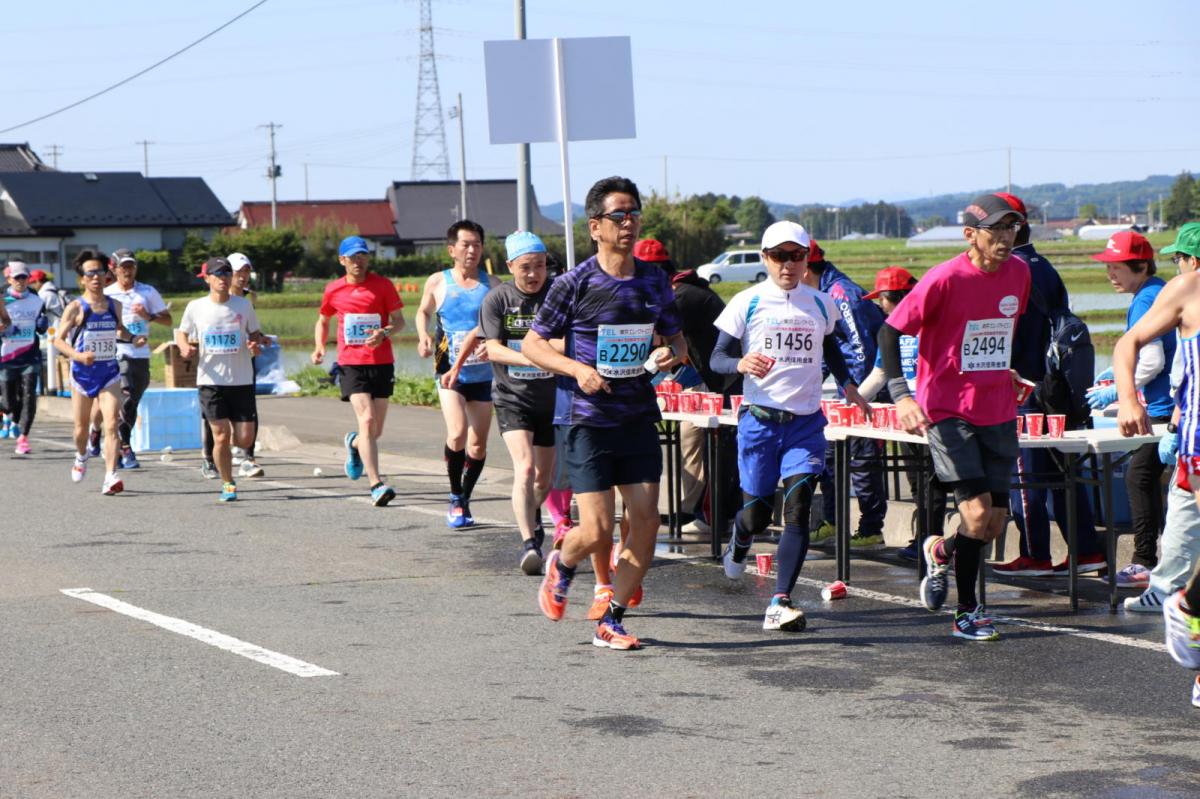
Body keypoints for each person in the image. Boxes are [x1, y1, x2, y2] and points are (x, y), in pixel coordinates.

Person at [525, 175, 686, 651]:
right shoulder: (573, 284)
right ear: (595, 226)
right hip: (587, 419)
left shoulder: (654, 280)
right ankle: (562, 563)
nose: (629, 222)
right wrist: (578, 370)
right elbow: (533, 344)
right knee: (596, 531)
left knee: (647, 521)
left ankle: (611, 618)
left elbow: (677, 340)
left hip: (636, 415)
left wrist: (670, 354)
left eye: (634, 213)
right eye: (619, 215)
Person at [879, 194, 1032, 641]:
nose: (1006, 237)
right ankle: (967, 612)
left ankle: (941, 551)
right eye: (996, 229)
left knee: (994, 523)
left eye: (1012, 228)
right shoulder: (944, 278)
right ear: (970, 235)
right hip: (947, 411)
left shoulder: (1020, 273)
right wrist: (902, 395)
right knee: (978, 513)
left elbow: (999, 333)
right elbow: (888, 332)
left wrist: (1006, 369)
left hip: (997, 407)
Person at [710, 221, 871, 632]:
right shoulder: (746, 302)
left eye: (796, 256)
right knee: (757, 516)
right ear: (765, 258)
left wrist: (849, 386)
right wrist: (741, 363)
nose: (788, 264)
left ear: (806, 259)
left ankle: (780, 601)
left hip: (805, 424)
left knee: (798, 508)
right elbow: (716, 359)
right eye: (780, 256)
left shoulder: (820, 303)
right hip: (760, 423)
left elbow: (831, 347)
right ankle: (740, 539)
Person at [991, 193, 1105, 577]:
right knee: (1061, 474)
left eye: (998, 226)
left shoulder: (1013, 271)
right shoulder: (1045, 267)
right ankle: (1086, 551)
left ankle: (1035, 553)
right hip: (1057, 389)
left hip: (1023, 388)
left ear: (1013, 229)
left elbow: (1005, 335)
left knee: (1025, 478)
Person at [1113, 222, 1200, 705]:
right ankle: (1186, 603)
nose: (1176, 265)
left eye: (1178, 258)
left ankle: (1189, 607)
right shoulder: (1186, 289)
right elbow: (1128, 344)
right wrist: (1127, 398)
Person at [443, 231, 556, 575]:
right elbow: (492, 347)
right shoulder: (497, 299)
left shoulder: (556, 295)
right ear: (510, 266)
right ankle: (529, 544)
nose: (534, 274)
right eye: (526, 267)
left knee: (543, 481)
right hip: (512, 397)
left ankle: (532, 513)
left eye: (540, 266)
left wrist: (542, 354)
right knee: (525, 468)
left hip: (552, 400)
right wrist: (537, 356)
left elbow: (569, 342)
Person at [1085, 229, 1177, 589]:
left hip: (1165, 407)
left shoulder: (1145, 300)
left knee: (1139, 477)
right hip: (1172, 404)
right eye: (1108, 267)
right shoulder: (1158, 291)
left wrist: (1118, 391)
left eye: (1117, 267)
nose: (1110, 274)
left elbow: (1151, 360)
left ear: (1140, 266)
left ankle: (1144, 561)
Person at [633, 238, 739, 535]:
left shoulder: (683, 297)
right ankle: (694, 509)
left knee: (714, 449)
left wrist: (638, 376)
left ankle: (709, 515)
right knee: (692, 439)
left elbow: (654, 337)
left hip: (726, 381)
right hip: (709, 378)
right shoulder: (678, 291)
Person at [1126, 223, 1200, 616]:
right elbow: (1187, 378)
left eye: (1180, 260)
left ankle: (1178, 599)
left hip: (1194, 436)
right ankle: (1165, 589)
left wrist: (1125, 396)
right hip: (1187, 432)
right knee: (1181, 515)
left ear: (1193, 261)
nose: (1178, 267)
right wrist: (1173, 425)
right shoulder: (1176, 295)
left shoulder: (1173, 293)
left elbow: (1148, 355)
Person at [856, 266, 947, 561]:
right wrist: (853, 402)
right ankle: (923, 539)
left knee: (932, 482)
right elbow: (880, 373)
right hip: (906, 419)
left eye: (881, 299)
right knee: (917, 481)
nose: (880, 306)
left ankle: (930, 541)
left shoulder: (931, 324)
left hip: (934, 417)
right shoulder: (891, 331)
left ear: (892, 297)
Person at [415, 220, 500, 528]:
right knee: (457, 432)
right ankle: (454, 496)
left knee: (478, 446)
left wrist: (494, 344)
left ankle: (465, 497)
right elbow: (423, 311)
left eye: (477, 244)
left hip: (483, 374)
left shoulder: (493, 284)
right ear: (452, 250)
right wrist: (423, 335)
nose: (472, 250)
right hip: (448, 370)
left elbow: (503, 323)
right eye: (466, 245)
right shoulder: (438, 281)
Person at [312, 236, 406, 507]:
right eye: (353, 256)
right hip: (351, 363)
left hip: (382, 362)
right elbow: (323, 320)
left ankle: (354, 444)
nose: (359, 261)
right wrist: (319, 346)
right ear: (342, 260)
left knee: (375, 431)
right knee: (367, 420)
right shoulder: (334, 289)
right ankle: (376, 484)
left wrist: (384, 333)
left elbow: (399, 321)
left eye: (363, 255)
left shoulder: (383, 285)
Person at [808, 240, 888, 550]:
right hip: (847, 391)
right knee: (828, 456)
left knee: (863, 461)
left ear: (806, 268)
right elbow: (831, 350)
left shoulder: (842, 293)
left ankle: (871, 528)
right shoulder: (821, 293)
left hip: (869, 390)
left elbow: (862, 348)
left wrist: (857, 395)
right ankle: (832, 519)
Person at [54, 250, 145, 496]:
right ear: (82, 279)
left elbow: (120, 329)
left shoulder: (115, 305)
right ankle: (81, 455)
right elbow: (58, 340)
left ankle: (110, 476)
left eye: (100, 272)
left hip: (109, 372)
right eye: (90, 273)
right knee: (80, 429)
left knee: (112, 423)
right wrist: (78, 356)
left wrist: (133, 338)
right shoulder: (75, 307)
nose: (96, 277)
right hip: (82, 374)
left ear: (107, 275)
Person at [177, 257, 264, 502]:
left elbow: (254, 333)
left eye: (227, 273)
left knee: (244, 439)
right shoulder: (196, 307)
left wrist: (254, 344)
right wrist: (184, 347)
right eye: (218, 274)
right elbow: (182, 332)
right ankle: (228, 483)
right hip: (210, 381)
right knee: (221, 436)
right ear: (207, 279)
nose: (223, 279)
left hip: (241, 380)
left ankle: (233, 454)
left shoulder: (243, 306)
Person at [96, 248, 172, 470]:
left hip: (141, 354)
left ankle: (117, 442)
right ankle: (125, 446)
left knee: (132, 402)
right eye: (123, 267)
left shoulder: (147, 292)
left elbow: (168, 320)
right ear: (114, 269)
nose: (128, 271)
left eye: (131, 266)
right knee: (126, 396)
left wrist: (148, 316)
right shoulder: (107, 294)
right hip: (117, 353)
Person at [202, 252, 265, 479]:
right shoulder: (209, 302)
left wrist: (257, 341)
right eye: (239, 271)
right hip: (214, 371)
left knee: (248, 417)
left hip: (242, 365)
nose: (243, 276)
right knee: (215, 422)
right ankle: (210, 458)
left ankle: (247, 456)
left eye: (247, 271)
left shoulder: (248, 300)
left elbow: (252, 330)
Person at [0, 261, 48, 454]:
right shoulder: (2, 299)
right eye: (16, 277)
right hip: (6, 357)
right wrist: (4, 330)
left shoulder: (37, 300)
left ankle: (23, 438)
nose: (20, 281)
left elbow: (41, 326)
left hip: (30, 355)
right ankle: (7, 415)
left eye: (24, 277)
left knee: (29, 396)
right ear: (9, 279)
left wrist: (42, 325)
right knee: (9, 402)